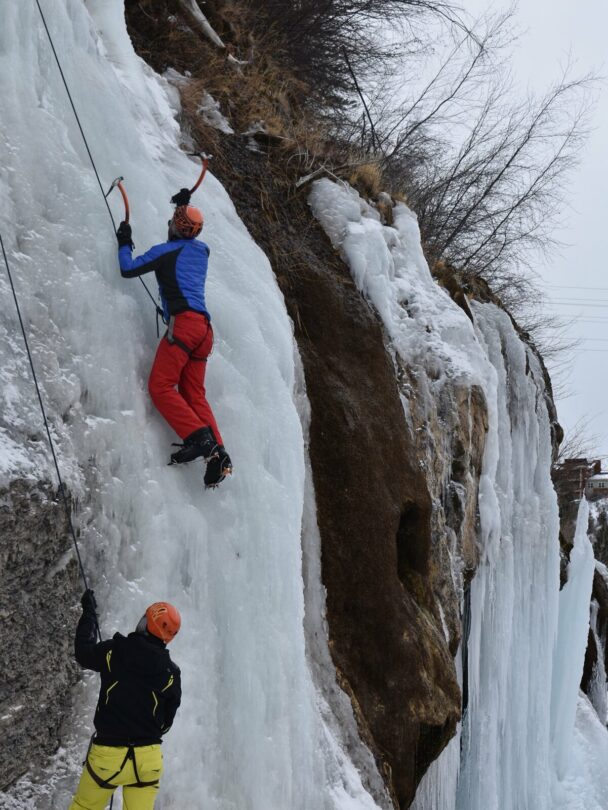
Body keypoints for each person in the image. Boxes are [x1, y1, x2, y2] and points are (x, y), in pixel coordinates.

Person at [116, 191, 232, 489]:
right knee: (194, 394)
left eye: (173, 221)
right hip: (204, 331)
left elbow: (128, 269)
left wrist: (124, 242)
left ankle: (201, 440)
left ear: (175, 227)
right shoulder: (202, 250)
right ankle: (220, 455)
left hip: (183, 327)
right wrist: (184, 205)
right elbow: (184, 233)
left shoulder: (166, 251)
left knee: (160, 386)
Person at [68, 590, 182, 810]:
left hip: (108, 757)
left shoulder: (115, 651)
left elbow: (83, 652)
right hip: (147, 761)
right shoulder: (171, 672)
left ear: (146, 623)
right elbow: (167, 720)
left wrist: (89, 613)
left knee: (84, 807)